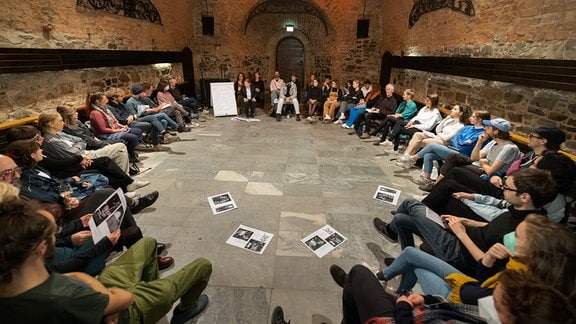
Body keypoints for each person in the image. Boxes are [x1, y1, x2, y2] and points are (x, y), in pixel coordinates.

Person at [0, 194, 212, 324]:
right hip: (125, 307)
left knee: (147, 243)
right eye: (52, 234)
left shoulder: (18, 282)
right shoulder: (60, 297)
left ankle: (150, 287)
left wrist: (89, 287)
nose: (56, 237)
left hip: (101, 294)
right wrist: (102, 297)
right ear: (41, 247)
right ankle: (185, 310)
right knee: (203, 265)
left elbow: (72, 278)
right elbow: (124, 299)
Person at [373, 168, 557, 275]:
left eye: (507, 187)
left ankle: (392, 235)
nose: (503, 189)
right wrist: (465, 221)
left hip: (459, 254)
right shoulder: (518, 211)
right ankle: (402, 257)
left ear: (524, 196)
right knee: (401, 218)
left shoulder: (529, 230)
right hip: (461, 237)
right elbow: (495, 229)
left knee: (410, 205)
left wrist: (461, 233)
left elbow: (487, 263)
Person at [374, 213, 576, 304]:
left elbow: (472, 295)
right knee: (411, 253)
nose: (510, 237)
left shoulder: (523, 287)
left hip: (464, 300)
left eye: (516, 236)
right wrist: (488, 259)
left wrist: (462, 234)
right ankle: (390, 283)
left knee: (418, 264)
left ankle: (391, 289)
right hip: (473, 286)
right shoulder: (520, 262)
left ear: (534, 251)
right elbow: (483, 279)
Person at [7, 125, 143, 194]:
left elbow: (79, 140)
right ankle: (127, 186)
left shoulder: (37, 153)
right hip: (64, 174)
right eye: (37, 138)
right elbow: (56, 167)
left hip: (67, 168)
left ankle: (126, 186)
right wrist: (78, 161)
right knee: (105, 164)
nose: (41, 139)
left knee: (104, 163)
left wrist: (79, 160)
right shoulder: (35, 157)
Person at [398, 110, 490, 189]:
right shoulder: (467, 128)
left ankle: (413, 158)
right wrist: (462, 142)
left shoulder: (481, 134)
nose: (470, 118)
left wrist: (461, 142)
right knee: (428, 155)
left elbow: (468, 147)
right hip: (453, 148)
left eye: (473, 117)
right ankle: (426, 180)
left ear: (480, 119)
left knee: (432, 146)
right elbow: (455, 139)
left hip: (464, 155)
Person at [39, 111, 132, 174]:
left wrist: (77, 146)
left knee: (118, 151)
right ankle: (126, 181)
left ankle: (125, 180)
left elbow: (80, 140)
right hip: (83, 158)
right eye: (60, 121)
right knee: (120, 147)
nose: (63, 123)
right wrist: (78, 147)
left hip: (85, 153)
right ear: (51, 124)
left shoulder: (59, 133)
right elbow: (73, 153)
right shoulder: (50, 140)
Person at [105, 91, 178, 150]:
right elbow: (120, 120)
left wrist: (132, 116)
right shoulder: (110, 107)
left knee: (153, 118)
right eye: (120, 96)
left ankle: (164, 135)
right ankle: (158, 143)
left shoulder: (121, 104)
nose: (122, 97)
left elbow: (129, 113)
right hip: (127, 124)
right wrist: (132, 116)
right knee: (153, 121)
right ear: (114, 98)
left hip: (134, 119)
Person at [88, 93, 144, 163]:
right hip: (106, 134)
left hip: (115, 130)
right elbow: (103, 129)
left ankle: (129, 151)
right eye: (105, 100)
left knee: (138, 131)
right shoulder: (95, 113)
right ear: (98, 102)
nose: (107, 101)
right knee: (133, 137)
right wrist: (120, 130)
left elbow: (114, 122)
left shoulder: (105, 110)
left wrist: (122, 126)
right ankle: (131, 155)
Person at [399, 104, 469, 158]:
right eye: (453, 108)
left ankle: (410, 158)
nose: (452, 110)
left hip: (445, 142)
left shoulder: (460, 126)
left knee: (421, 141)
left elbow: (447, 138)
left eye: (455, 109)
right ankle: (406, 155)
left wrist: (439, 134)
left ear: (461, 113)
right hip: (437, 137)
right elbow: (437, 130)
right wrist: (445, 120)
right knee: (417, 134)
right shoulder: (450, 120)